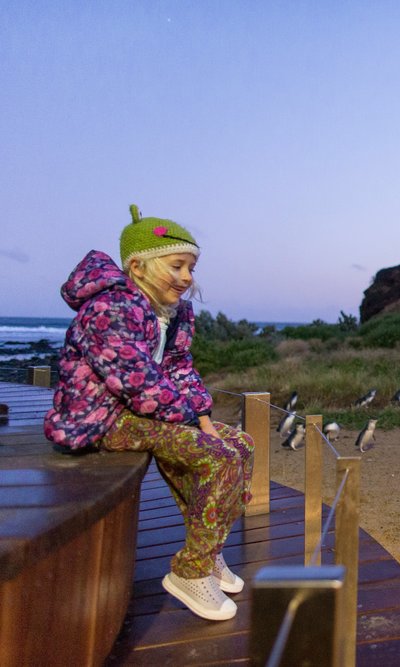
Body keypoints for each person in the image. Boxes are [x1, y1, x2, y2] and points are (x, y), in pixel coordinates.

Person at [44, 204, 254, 621]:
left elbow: (178, 369)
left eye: (191, 268)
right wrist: (194, 426)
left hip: (142, 413)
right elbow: (135, 380)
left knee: (240, 445)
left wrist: (206, 419)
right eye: (177, 265)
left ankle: (207, 552)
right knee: (215, 455)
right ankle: (190, 572)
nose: (188, 278)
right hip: (102, 419)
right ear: (138, 267)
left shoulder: (170, 315)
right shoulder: (110, 309)